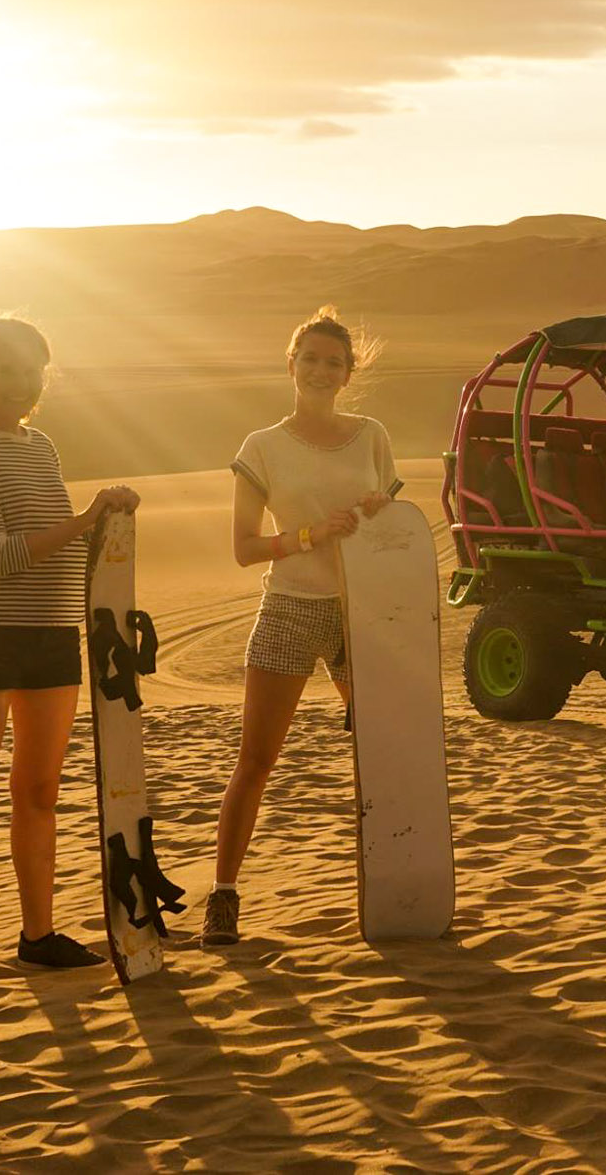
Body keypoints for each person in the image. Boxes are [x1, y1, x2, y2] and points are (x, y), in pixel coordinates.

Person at [0, 314, 139, 1006]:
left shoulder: (41, 448)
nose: (19, 383)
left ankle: (37, 936)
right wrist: (83, 520)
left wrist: (108, 518)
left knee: (39, 793)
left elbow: (65, 548)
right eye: (6, 369)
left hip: (51, 637)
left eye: (32, 370)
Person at [208, 305, 400, 945]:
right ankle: (225, 895)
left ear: (349, 375)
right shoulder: (260, 447)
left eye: (334, 363)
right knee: (256, 759)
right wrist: (309, 535)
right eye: (311, 359)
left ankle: (396, 880)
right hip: (290, 606)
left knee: (381, 755)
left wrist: (378, 508)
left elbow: (394, 528)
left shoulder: (372, 435)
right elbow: (243, 547)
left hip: (362, 613)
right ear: (291, 365)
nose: (322, 371)